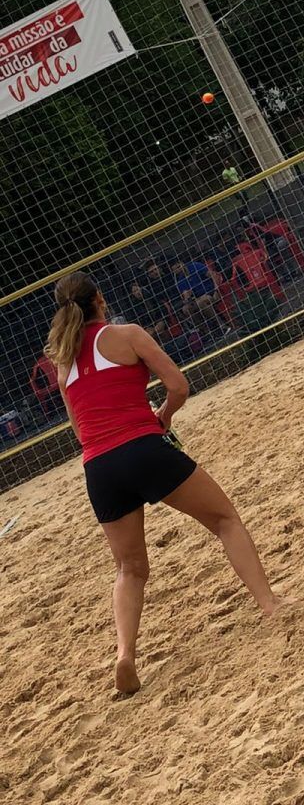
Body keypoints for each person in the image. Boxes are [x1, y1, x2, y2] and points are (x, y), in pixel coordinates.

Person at [45, 272, 289, 695]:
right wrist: (163, 418)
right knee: (226, 520)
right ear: (100, 299)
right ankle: (270, 606)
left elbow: (80, 430)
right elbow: (178, 386)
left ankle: (125, 654)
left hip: (99, 468)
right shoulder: (126, 335)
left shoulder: (63, 361)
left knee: (129, 568)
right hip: (142, 445)